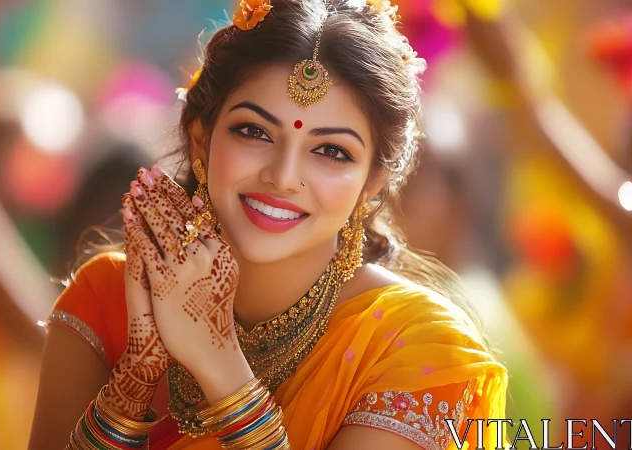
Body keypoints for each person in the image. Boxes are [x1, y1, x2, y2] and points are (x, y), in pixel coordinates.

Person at [29, 1, 508, 449]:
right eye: (254, 132)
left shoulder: (413, 346)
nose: (282, 177)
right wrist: (133, 381)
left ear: (371, 184)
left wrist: (217, 360)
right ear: (200, 140)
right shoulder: (110, 300)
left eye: (331, 151)